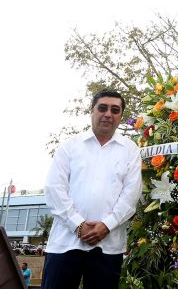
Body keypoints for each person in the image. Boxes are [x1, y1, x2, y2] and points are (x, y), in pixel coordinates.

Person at [42, 89, 142, 289]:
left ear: (121, 116)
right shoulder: (70, 147)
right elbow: (54, 189)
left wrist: (106, 225)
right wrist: (78, 225)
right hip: (65, 243)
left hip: (108, 245)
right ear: (92, 111)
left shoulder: (130, 150)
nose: (108, 114)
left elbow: (131, 194)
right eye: (102, 108)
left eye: (115, 110)